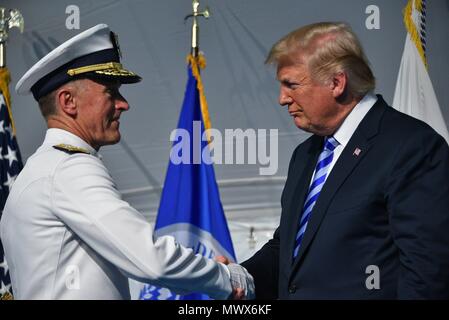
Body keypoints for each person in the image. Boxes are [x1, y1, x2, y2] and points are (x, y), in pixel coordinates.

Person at [0, 24, 254, 300]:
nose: (124, 104)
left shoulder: (41, 169)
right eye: (111, 92)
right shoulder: (69, 167)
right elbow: (150, 259)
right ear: (68, 101)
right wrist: (227, 279)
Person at [241, 22, 449, 299]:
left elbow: (427, 273)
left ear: (337, 83)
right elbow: (289, 250)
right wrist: (235, 277)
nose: (281, 99)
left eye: (291, 84)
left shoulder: (411, 146)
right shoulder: (305, 155)